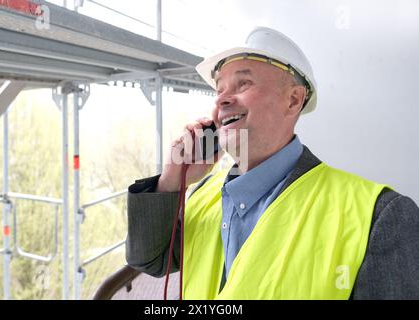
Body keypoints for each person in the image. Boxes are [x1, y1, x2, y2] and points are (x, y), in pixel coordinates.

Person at [126, 26, 419, 299]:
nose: (222, 101)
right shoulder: (203, 192)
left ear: (293, 100)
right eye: (219, 90)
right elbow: (149, 260)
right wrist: (170, 182)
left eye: (243, 83)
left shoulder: (380, 215)